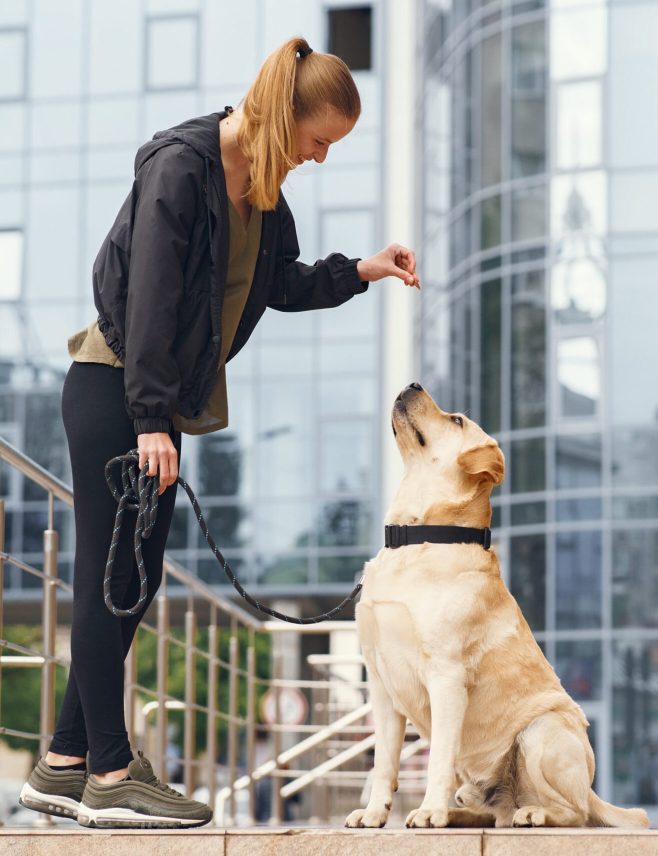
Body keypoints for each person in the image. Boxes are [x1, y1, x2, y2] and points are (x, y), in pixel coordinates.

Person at [18, 36, 419, 829]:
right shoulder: (182, 168)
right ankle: (107, 771)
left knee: (133, 581)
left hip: (149, 406)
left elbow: (280, 285)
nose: (320, 157)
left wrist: (364, 269)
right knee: (112, 576)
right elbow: (146, 301)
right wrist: (150, 418)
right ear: (286, 115)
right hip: (113, 391)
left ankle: (62, 761)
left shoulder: (262, 194)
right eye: (318, 141)